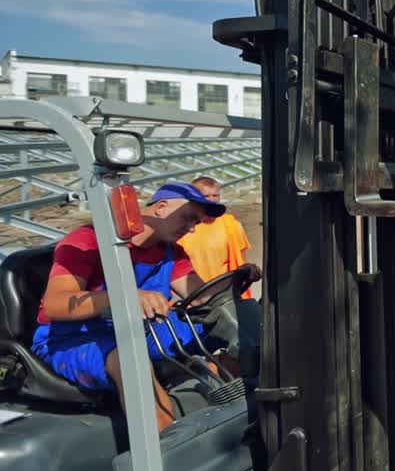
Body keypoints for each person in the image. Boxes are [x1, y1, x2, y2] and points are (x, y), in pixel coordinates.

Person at [32, 182, 250, 432]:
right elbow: (56, 304)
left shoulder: (171, 251)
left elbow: (201, 297)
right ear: (162, 207)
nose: (191, 229)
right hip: (72, 338)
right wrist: (126, 297)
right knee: (129, 360)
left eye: (196, 223)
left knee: (232, 326)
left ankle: (239, 411)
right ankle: (166, 450)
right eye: (188, 218)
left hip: (140, 330)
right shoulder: (88, 240)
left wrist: (235, 284)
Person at [178, 176, 256, 300]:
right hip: (189, 295)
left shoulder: (231, 224)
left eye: (215, 196)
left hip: (222, 294)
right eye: (206, 196)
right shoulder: (180, 228)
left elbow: (240, 260)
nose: (212, 200)